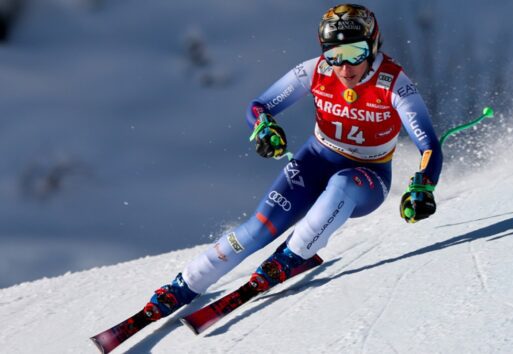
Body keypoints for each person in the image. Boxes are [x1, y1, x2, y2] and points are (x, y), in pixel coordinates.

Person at [142, 3, 443, 321]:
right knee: (258, 229)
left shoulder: (393, 83)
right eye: (334, 54)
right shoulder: (315, 71)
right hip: (315, 159)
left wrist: (423, 183)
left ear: (373, 45)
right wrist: (263, 126)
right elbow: (259, 106)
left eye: (354, 52)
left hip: (368, 176)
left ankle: (291, 256)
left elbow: (429, 145)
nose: (344, 67)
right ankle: (185, 284)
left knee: (341, 185)